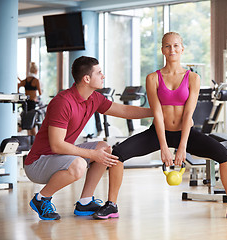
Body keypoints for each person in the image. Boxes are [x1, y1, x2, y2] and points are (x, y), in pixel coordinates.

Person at [93, 32, 227, 220]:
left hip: (186, 133)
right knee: (118, 154)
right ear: (162, 50)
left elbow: (188, 113)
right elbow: (157, 113)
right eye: (168, 46)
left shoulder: (193, 78)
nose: (172, 49)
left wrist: (182, 146)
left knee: (224, 155)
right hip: (158, 132)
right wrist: (164, 146)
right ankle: (112, 205)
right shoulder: (153, 78)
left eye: (176, 46)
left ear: (182, 49)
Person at [24, 56, 153, 220]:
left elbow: (125, 111)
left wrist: (155, 111)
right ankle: (41, 199)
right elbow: (56, 146)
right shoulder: (63, 102)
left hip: (59, 157)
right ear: (86, 78)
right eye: (99, 73)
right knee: (79, 165)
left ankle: (85, 201)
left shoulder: (94, 98)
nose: (103, 76)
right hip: (38, 163)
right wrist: (91, 155)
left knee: (104, 148)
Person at [18, 62, 42, 135]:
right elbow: (40, 92)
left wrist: (20, 94)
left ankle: (29, 141)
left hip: (25, 103)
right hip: (32, 103)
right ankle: (34, 142)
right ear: (35, 71)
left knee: (27, 123)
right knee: (32, 123)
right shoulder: (36, 80)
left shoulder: (25, 80)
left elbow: (18, 85)